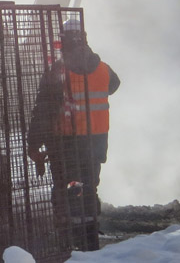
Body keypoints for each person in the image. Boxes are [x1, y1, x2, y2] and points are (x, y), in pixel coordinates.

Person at [26, 23, 120, 251]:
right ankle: (89, 239)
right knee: (88, 186)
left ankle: (69, 241)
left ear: (63, 41)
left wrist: (34, 144)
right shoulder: (104, 69)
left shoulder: (58, 71)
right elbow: (114, 85)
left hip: (66, 142)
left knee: (67, 188)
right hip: (96, 142)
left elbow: (43, 110)